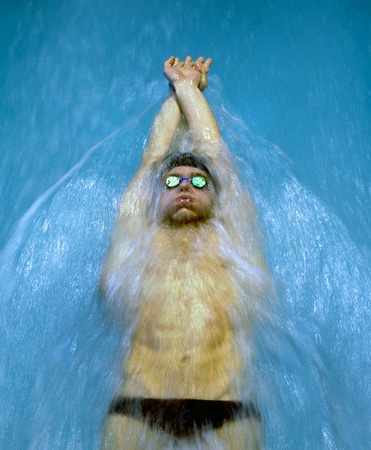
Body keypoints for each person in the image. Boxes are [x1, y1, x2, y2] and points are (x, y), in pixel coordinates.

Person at [99, 56, 274, 449]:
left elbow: (216, 154)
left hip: (227, 408)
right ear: (154, 196)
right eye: (174, 181)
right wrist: (176, 94)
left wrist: (189, 91)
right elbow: (150, 161)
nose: (185, 187)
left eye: (198, 182)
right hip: (137, 407)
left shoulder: (231, 236)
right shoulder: (137, 236)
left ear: (216, 196)